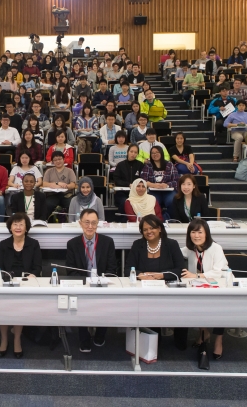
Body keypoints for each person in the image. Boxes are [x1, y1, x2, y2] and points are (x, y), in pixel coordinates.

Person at [126, 214, 187, 348]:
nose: (149, 232)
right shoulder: (138, 245)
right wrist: (140, 275)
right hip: (145, 290)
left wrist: (162, 276)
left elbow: (180, 270)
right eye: (145, 229)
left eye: (152, 228)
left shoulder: (171, 244)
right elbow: (128, 269)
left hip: (168, 288)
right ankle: (153, 341)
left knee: (180, 305)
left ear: (159, 228)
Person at [66, 209, 117, 353]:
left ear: (98, 224)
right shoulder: (72, 244)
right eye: (87, 222)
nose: (90, 226)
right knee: (79, 301)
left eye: (94, 223)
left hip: (102, 283)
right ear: (80, 223)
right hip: (82, 284)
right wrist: (86, 282)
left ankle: (100, 335)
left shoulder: (107, 242)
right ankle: (84, 337)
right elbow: (70, 271)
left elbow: (112, 269)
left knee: (105, 301)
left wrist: (101, 281)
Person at [0, 212, 42, 358]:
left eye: (21, 224)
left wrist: (32, 275)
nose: (18, 227)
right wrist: (5, 279)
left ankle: (16, 340)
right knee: (3, 306)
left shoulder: (34, 244)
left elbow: (37, 267)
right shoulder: (4, 244)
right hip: (8, 282)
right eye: (15, 224)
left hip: (26, 283)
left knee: (18, 306)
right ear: (10, 227)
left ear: (26, 228)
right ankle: (4, 339)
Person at [181, 218, 228, 359]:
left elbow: (218, 271)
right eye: (193, 232)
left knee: (219, 308)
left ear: (206, 233)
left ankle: (218, 340)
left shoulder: (216, 248)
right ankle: (204, 332)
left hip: (217, 286)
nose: (196, 236)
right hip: (198, 287)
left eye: (200, 232)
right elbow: (174, 252)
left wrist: (196, 275)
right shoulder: (190, 249)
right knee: (195, 302)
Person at [141, 145, 179, 218]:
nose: (155, 154)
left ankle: (171, 219)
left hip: (168, 191)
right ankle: (156, 220)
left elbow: (176, 180)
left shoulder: (169, 165)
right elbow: (143, 180)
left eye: (157, 152)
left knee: (172, 201)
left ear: (161, 153)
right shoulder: (148, 166)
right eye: (153, 153)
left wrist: (166, 185)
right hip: (153, 191)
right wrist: (153, 185)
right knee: (153, 202)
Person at [114, 144, 143, 214]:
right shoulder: (120, 165)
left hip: (137, 192)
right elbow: (116, 180)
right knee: (125, 202)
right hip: (122, 193)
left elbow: (143, 179)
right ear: (127, 152)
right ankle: (122, 220)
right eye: (131, 151)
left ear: (137, 154)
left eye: (135, 152)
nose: (133, 154)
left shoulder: (140, 165)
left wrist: (137, 185)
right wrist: (128, 184)